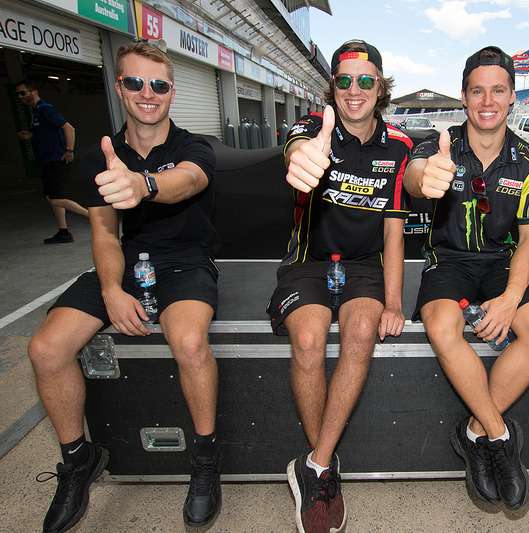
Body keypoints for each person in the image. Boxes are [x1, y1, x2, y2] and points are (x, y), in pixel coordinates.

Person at [27, 42, 222, 531]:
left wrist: (144, 186)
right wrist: (113, 291)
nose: (147, 93)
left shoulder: (194, 145)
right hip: (126, 264)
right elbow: (102, 234)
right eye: (135, 82)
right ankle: (78, 460)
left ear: (172, 92)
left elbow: (190, 180)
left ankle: (204, 460)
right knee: (46, 348)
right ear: (120, 87)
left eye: (158, 84)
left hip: (184, 261)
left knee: (190, 341)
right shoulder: (100, 154)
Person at [404, 45, 529, 511]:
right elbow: (415, 176)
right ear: (465, 96)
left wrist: (512, 297)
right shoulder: (437, 146)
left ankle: (471, 432)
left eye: (497, 90)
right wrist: (424, 177)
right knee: (442, 327)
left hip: (501, 265)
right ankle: (500, 437)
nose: (487, 100)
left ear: (512, 96)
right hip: (447, 262)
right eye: (477, 91)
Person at [267, 40, 411, 533]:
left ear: (380, 86)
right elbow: (298, 147)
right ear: (332, 86)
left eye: (366, 80)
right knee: (307, 340)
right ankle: (324, 467)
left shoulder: (399, 146)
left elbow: (394, 231)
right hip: (306, 263)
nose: (354, 90)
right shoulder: (311, 129)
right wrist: (304, 156)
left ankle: (315, 466)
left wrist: (394, 302)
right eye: (344, 80)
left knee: (361, 333)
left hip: (366, 267)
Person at [16, 80, 89, 243]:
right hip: (47, 160)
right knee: (51, 197)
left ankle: (94, 217)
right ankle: (64, 232)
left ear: (34, 92)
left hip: (57, 159)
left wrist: (69, 151)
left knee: (56, 198)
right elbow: (48, 134)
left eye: (23, 93)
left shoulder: (45, 110)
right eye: (18, 94)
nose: (20, 97)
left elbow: (69, 128)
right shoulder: (36, 113)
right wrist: (31, 135)